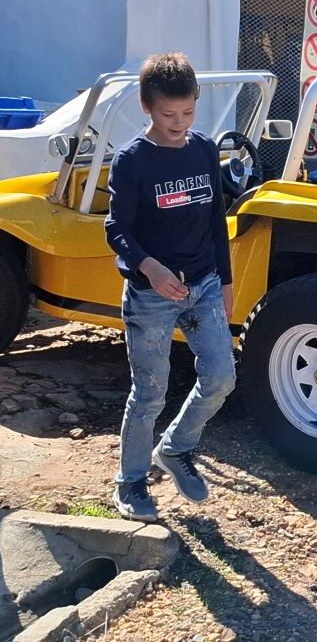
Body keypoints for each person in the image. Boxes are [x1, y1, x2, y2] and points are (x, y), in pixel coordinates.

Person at [105, 53, 236, 521]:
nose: (179, 123)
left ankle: (176, 448)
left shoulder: (204, 149)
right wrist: (151, 269)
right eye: (168, 114)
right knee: (149, 394)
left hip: (204, 286)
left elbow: (216, 219)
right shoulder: (132, 161)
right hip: (150, 297)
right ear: (147, 107)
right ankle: (131, 482)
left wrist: (226, 281)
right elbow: (116, 229)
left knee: (221, 377)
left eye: (188, 112)